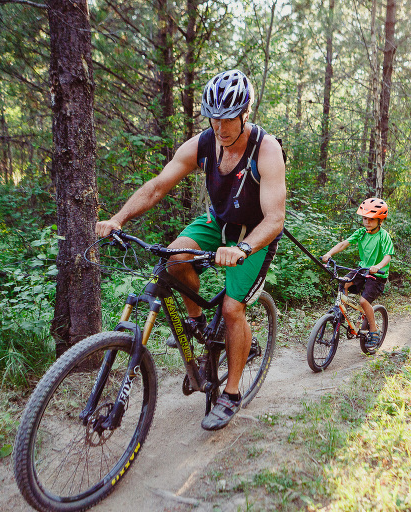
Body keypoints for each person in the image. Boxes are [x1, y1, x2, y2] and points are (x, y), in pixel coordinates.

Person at [95, 69, 286, 431]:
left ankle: (231, 394)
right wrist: (118, 218)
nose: (220, 127)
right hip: (218, 222)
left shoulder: (266, 149)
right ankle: (196, 322)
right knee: (174, 258)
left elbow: (275, 218)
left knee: (232, 309)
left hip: (255, 233)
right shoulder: (202, 145)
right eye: (214, 118)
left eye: (228, 118)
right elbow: (157, 186)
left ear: (245, 113)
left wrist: (243, 247)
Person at [321, 198, 394, 349]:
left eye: (371, 219)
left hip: (378, 275)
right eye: (365, 218)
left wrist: (377, 266)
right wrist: (329, 254)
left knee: (363, 301)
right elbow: (344, 244)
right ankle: (341, 314)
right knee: (344, 283)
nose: (367, 222)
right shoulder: (361, 233)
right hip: (362, 270)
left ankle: (373, 331)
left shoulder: (383, 236)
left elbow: (387, 256)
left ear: (380, 220)